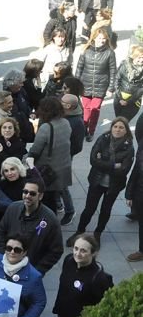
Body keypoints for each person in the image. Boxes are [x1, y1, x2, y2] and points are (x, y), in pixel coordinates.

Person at [70, 117, 134, 245]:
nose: (117, 129)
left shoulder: (129, 147)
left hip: (114, 185)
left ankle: (98, 233)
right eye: (115, 126)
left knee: (106, 210)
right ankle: (79, 231)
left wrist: (103, 161)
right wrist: (114, 165)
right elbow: (93, 160)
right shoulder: (102, 139)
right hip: (96, 181)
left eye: (121, 127)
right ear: (111, 128)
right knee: (89, 208)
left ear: (126, 131)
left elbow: (124, 170)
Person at [25, 97, 72, 213]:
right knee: (55, 196)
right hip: (63, 165)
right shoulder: (66, 123)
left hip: (47, 170)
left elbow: (35, 150)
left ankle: (47, 223)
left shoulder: (46, 128)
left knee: (47, 200)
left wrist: (27, 158)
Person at [75, 28, 117, 141]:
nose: (102, 40)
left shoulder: (109, 52)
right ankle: (83, 128)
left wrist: (111, 87)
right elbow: (79, 68)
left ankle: (91, 131)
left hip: (101, 86)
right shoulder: (85, 50)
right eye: (99, 38)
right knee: (86, 109)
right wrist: (75, 84)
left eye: (104, 38)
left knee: (95, 109)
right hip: (85, 84)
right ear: (94, 38)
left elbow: (113, 71)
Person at [114, 45, 143, 121]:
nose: (141, 60)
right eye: (139, 57)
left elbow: (141, 89)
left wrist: (128, 101)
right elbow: (117, 80)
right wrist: (120, 98)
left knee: (124, 121)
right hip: (119, 99)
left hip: (134, 101)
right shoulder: (124, 65)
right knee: (118, 121)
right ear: (133, 57)